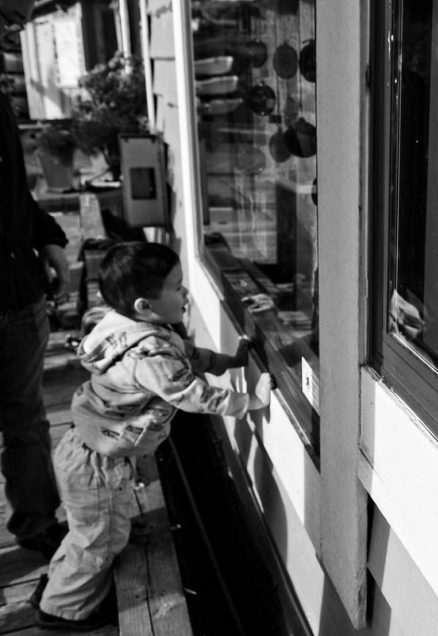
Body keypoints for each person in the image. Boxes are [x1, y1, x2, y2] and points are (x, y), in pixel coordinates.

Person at [35, 241, 275, 631]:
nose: (186, 293)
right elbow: (191, 393)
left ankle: (64, 590)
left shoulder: (136, 329)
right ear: (145, 306)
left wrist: (232, 361)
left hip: (92, 450)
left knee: (96, 532)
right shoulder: (149, 354)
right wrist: (251, 401)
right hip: (96, 462)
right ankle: (61, 610)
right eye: (177, 287)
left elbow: (190, 357)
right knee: (95, 542)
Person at [0, 0, 71, 561]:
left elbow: (12, 194)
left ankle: (37, 524)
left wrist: (47, 237)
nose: (14, 30)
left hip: (17, 295)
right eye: (6, 16)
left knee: (26, 418)